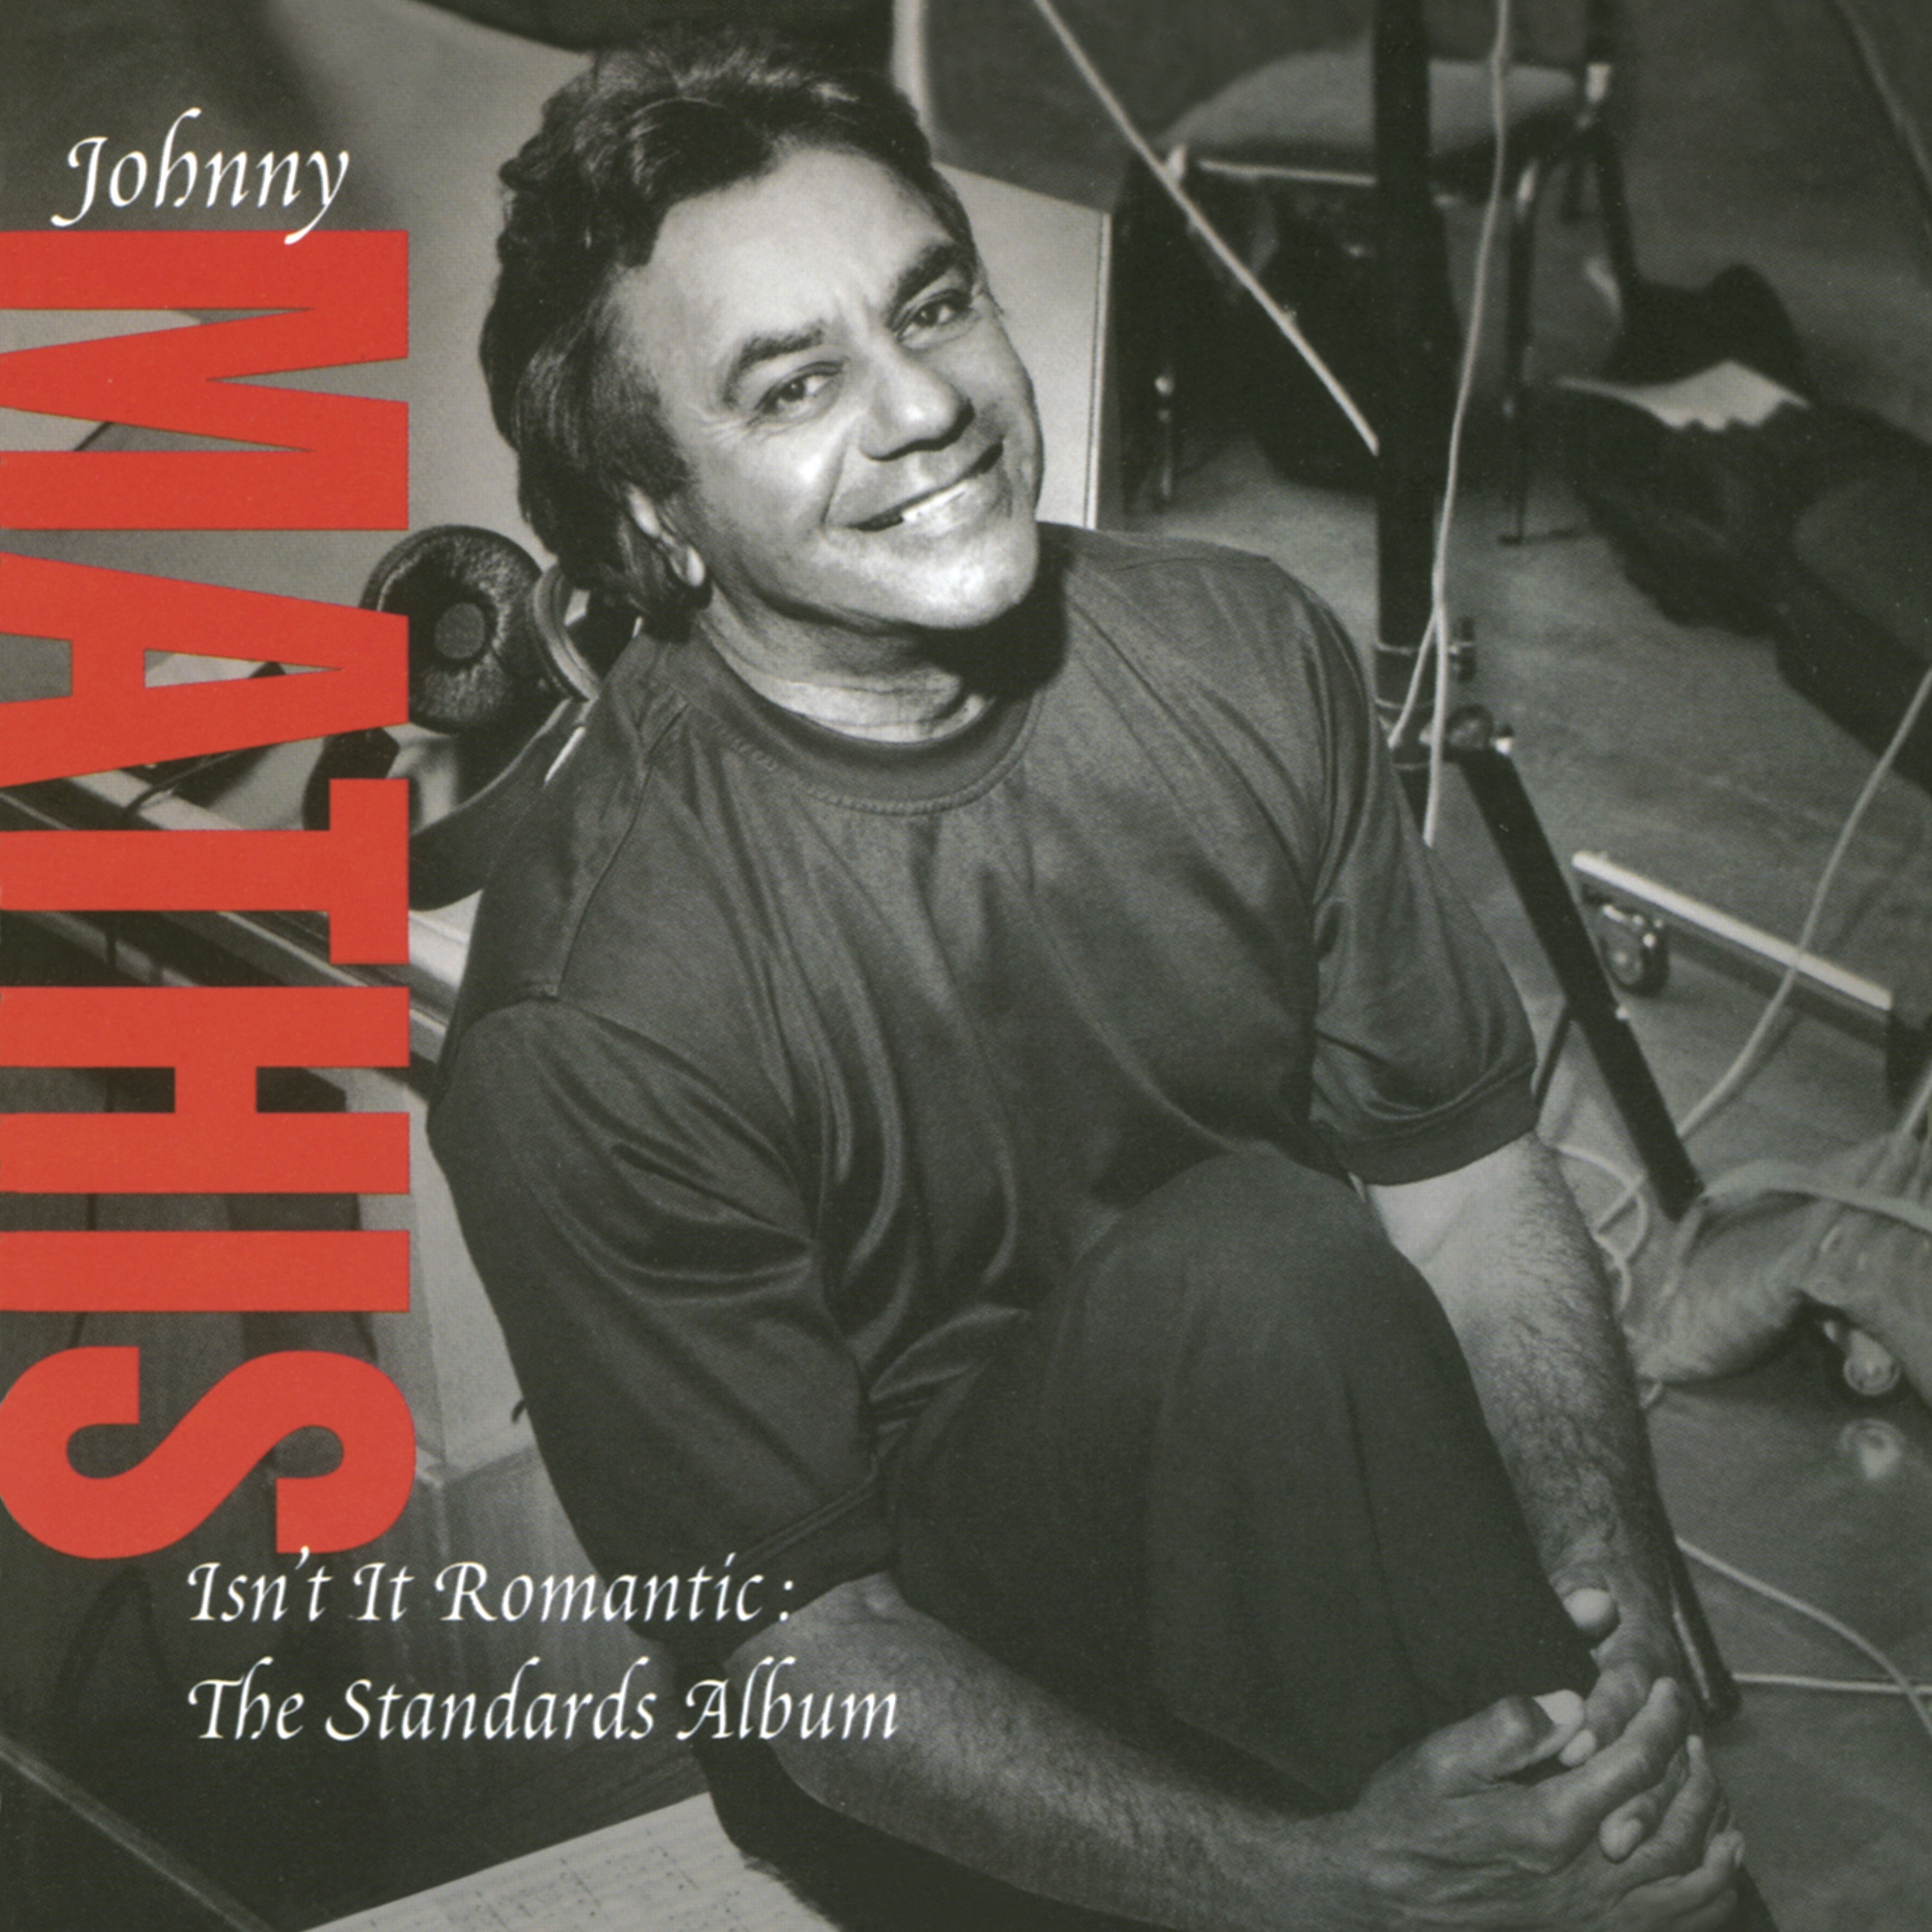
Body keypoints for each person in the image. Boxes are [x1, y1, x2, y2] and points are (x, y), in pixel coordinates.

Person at [428, 30, 1766, 1931]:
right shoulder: (592, 1013)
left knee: (1293, 1300)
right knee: (1261, 1261)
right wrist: (1321, 1883)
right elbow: (811, 1657)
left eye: (933, 305)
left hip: (1292, 1475)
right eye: (794, 385)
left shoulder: (1242, 655)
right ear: (658, 522)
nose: (926, 408)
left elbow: (1471, 1198)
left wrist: (1609, 1621)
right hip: (949, 1696)